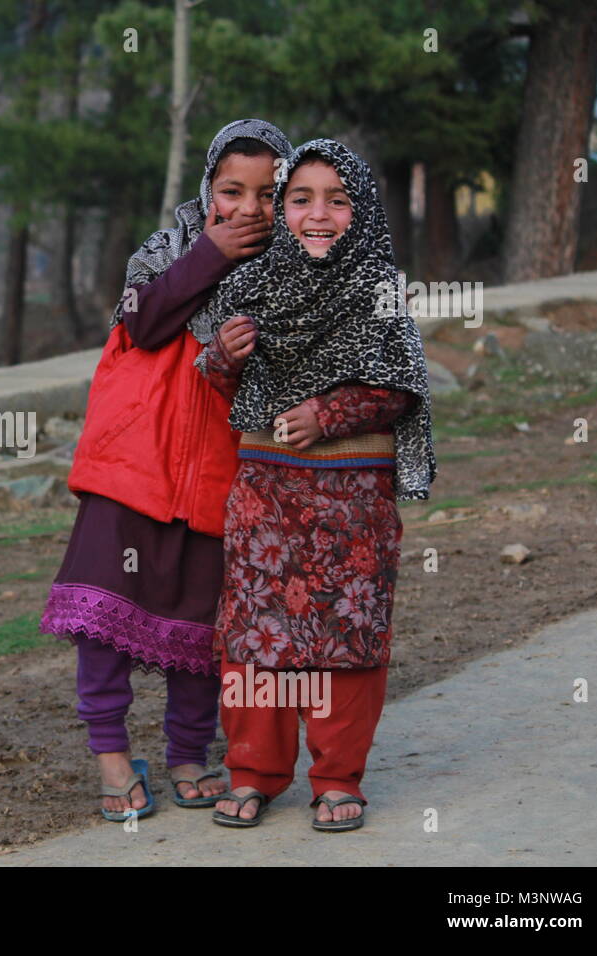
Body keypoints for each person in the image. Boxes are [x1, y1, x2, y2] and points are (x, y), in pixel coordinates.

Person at [41, 119, 292, 820]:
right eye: (231, 190)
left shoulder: (294, 267)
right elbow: (145, 322)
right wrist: (210, 255)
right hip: (133, 461)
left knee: (200, 625)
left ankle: (188, 752)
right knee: (102, 617)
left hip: (223, 469)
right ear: (207, 188)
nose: (248, 209)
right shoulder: (165, 249)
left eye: (269, 195)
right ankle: (112, 758)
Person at [196, 138, 436, 831]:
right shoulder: (248, 284)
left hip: (350, 499)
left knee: (345, 632)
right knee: (256, 635)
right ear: (283, 209)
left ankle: (336, 778)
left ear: (361, 211)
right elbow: (220, 384)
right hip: (264, 494)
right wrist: (223, 355)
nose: (318, 214)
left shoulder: (379, 292)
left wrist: (325, 414)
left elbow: (401, 390)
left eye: (337, 200)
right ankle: (253, 772)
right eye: (300, 199)